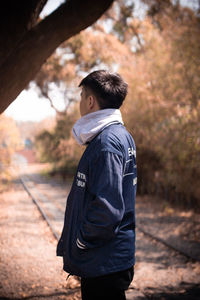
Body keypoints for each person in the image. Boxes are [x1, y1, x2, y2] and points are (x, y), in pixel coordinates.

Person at [57, 70, 137, 300]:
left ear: (90, 101)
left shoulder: (106, 143)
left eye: (82, 96)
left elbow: (107, 209)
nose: (80, 103)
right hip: (109, 257)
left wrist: (81, 242)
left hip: (103, 259)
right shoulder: (120, 135)